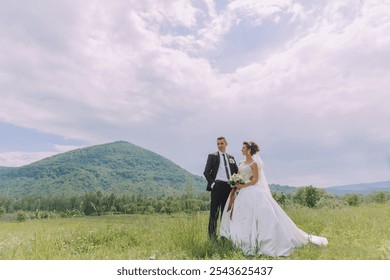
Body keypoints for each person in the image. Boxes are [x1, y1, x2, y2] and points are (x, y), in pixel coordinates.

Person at [220, 141, 328, 257]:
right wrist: (236, 182)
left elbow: (255, 180)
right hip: (241, 193)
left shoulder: (254, 164)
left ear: (249, 150)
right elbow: (239, 175)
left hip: (251, 190)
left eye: (243, 148)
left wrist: (243, 185)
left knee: (259, 215)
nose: (241, 149)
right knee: (242, 215)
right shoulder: (241, 163)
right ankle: (241, 239)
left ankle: (261, 240)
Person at [203, 136, 239, 238]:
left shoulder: (231, 158)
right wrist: (213, 184)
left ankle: (225, 235)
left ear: (226, 144)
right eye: (218, 144)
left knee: (226, 212)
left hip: (228, 187)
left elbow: (236, 171)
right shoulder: (212, 156)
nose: (219, 145)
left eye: (221, 143)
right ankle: (212, 236)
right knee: (214, 211)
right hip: (217, 186)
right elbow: (206, 172)